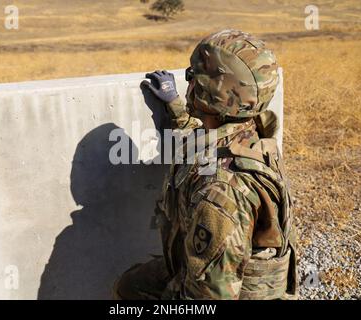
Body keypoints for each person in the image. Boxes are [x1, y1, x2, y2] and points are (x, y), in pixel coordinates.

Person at [113, 29, 298, 300]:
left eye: (192, 77)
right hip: (227, 273)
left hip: (223, 291)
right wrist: (176, 106)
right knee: (131, 284)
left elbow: (211, 298)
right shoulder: (252, 133)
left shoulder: (220, 190)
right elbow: (204, 139)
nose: (187, 83)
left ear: (207, 91)